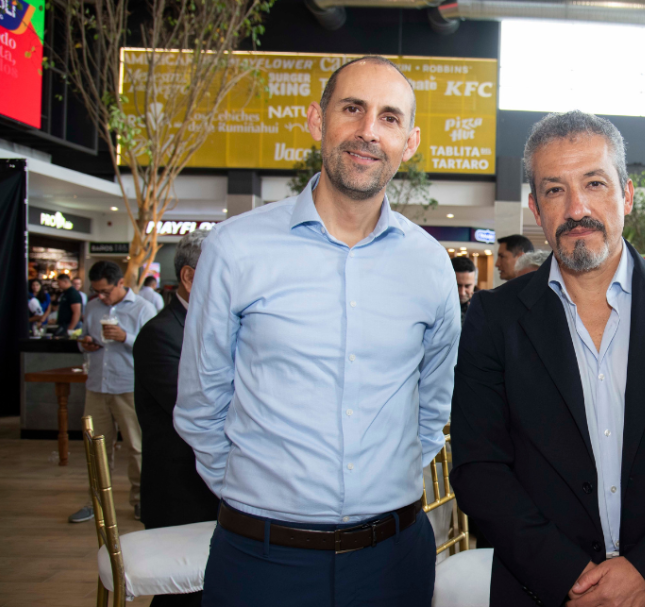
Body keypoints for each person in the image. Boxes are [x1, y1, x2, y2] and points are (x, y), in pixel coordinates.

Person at [175, 56, 458, 606]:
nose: (368, 131)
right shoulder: (235, 249)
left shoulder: (430, 265)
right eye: (352, 109)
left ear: (410, 141)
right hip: (260, 560)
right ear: (316, 120)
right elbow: (200, 406)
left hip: (392, 561)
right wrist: (260, 500)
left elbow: (432, 410)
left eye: (389, 118)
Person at [450, 110, 645, 607]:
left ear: (626, 195)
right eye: (554, 190)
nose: (576, 207)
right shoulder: (494, 319)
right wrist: (569, 576)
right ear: (534, 207)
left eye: (594, 182)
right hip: (542, 591)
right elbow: (480, 469)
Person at [133, 229, 217, 607]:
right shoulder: (160, 335)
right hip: (182, 493)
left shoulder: (210, 325)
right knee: (183, 597)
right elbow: (196, 409)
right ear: (189, 276)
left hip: (212, 485)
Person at [69, 260, 156, 524]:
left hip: (128, 387)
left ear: (121, 283)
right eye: (97, 291)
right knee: (96, 448)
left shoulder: (143, 308)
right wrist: (85, 344)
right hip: (96, 386)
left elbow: (154, 349)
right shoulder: (92, 307)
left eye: (106, 290)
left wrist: (125, 337)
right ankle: (96, 503)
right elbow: (87, 338)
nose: (101, 296)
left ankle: (142, 501)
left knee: (136, 446)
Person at [453, 255, 476, 325]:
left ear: (474, 284)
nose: (462, 292)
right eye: (458, 286)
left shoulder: (481, 308)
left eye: (467, 286)